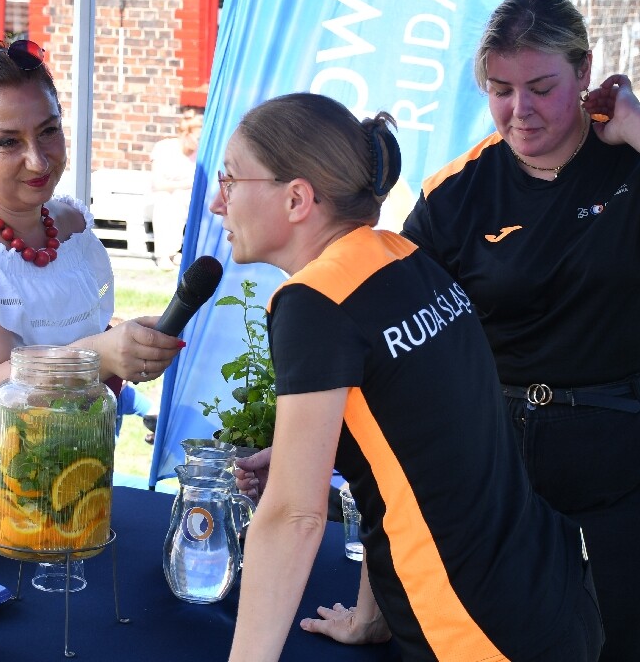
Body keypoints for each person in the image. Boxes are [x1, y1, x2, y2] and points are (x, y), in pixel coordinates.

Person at [395, 0, 640, 661]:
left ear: (583, 72)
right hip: (508, 447)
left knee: (631, 642)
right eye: (500, 89)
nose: (520, 111)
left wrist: (633, 123)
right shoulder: (455, 195)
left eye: (542, 87)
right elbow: (402, 338)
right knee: (507, 637)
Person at [214, 92, 603, 662]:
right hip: (551, 593)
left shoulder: (312, 301)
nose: (218, 203)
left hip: (475, 632)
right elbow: (413, 449)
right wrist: (373, 617)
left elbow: (293, 516)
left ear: (297, 198)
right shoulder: (401, 256)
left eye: (230, 179)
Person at [0, 31, 184, 420]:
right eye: (8, 142)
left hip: (69, 459)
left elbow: (53, 331)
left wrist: (125, 342)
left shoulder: (71, 225)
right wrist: (102, 353)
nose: (39, 161)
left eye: (48, 131)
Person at [150, 108, 202, 269]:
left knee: (181, 199)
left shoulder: (199, 155)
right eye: (198, 138)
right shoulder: (164, 148)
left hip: (185, 197)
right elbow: (157, 184)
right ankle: (163, 254)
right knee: (167, 201)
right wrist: (183, 185)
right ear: (186, 134)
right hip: (162, 194)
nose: (199, 142)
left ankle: (176, 251)